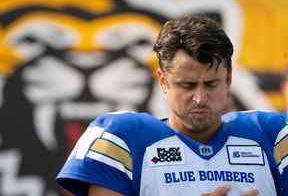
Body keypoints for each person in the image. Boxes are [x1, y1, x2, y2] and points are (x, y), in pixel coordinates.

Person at [56, 14, 288, 195]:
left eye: (210, 84)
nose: (200, 97)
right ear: (163, 80)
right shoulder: (121, 138)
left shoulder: (273, 136)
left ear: (228, 78)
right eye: (187, 85)